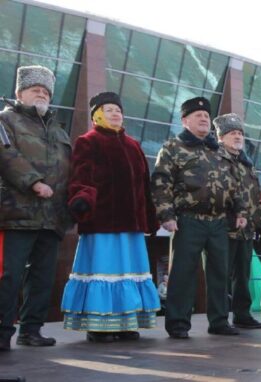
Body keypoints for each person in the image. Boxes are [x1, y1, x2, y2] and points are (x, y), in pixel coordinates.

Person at [61, 92, 160, 343]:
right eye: (109, 110)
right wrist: (81, 199)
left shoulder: (133, 145)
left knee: (129, 273)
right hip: (102, 222)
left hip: (132, 224)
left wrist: (149, 216)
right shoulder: (88, 141)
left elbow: (144, 186)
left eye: (118, 110)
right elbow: (80, 177)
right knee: (103, 272)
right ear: (96, 115)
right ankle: (99, 325)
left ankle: (126, 322)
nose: (115, 114)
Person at [152, 97, 247, 337]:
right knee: (183, 273)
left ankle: (219, 321)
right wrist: (166, 214)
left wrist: (240, 210)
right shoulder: (173, 147)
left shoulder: (219, 150)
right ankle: (178, 324)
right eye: (198, 115)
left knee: (219, 274)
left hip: (218, 221)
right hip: (187, 219)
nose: (204, 118)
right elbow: (161, 182)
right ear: (185, 121)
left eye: (206, 115)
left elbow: (233, 183)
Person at [0, 65, 72, 351]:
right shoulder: (6, 121)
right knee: (9, 275)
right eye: (35, 90)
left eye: (45, 91)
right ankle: (2, 332)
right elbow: (6, 155)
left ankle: (32, 330)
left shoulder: (57, 129)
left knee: (43, 276)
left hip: (52, 217)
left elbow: (69, 170)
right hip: (16, 213)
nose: (41, 94)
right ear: (19, 93)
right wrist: (34, 182)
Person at [214, 113, 261, 329]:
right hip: (223, 227)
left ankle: (242, 315)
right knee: (221, 275)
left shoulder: (246, 162)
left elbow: (255, 194)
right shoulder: (215, 158)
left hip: (246, 229)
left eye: (240, 134)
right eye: (232, 133)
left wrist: (260, 221)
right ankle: (219, 319)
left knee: (243, 274)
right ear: (220, 137)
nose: (237, 137)